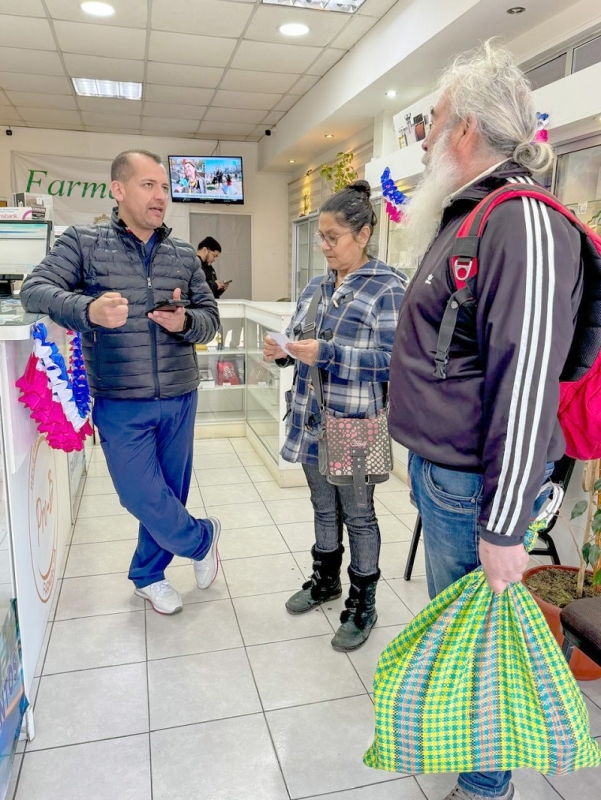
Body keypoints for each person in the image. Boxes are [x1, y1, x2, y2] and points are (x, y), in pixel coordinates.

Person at [388, 41, 583, 800]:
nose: (426, 137)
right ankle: (474, 760)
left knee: (484, 649)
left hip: (477, 489)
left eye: (432, 122)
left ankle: (483, 783)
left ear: (464, 129)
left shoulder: (523, 222)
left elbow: (526, 380)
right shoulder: (471, 215)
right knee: (463, 636)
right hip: (448, 476)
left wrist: (504, 528)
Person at [20, 149, 222, 616]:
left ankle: (148, 576)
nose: (160, 197)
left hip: (179, 393)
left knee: (169, 493)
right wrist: (87, 311)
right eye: (148, 185)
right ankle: (202, 539)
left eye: (165, 188)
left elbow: (210, 319)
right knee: (138, 493)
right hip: (119, 396)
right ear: (118, 190)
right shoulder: (84, 242)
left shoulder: (183, 254)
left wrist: (186, 322)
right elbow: (35, 289)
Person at [264, 181, 405, 652]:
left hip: (356, 425)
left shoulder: (387, 288)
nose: (323, 246)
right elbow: (299, 338)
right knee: (323, 506)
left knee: (359, 514)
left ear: (363, 235)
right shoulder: (317, 285)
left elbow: (394, 361)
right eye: (320, 237)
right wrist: (283, 352)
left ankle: (363, 603)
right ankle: (325, 581)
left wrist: (329, 354)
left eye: (332, 237)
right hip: (310, 416)